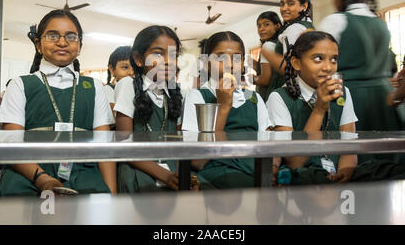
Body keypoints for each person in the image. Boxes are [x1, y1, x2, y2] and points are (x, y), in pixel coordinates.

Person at [0, 10, 116, 197]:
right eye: (52, 35)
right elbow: (11, 146)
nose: (62, 42)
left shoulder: (94, 87)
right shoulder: (20, 84)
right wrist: (43, 179)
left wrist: (111, 195)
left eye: (71, 36)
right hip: (29, 174)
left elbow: (105, 148)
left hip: (83, 175)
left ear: (80, 45)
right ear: (38, 44)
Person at [318, 0, 405, 140]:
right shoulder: (381, 24)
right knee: (385, 155)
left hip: (350, 98)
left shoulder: (335, 21)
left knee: (352, 156)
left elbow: (320, 65)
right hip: (385, 97)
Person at [182, 31, 272, 189]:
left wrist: (273, 169)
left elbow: (269, 144)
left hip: (254, 166)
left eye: (236, 57)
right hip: (218, 169)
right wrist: (223, 107)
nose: (230, 64)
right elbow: (197, 161)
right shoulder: (197, 96)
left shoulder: (254, 98)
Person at [266, 31, 358, 185]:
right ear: (296, 63)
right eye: (318, 59)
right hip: (303, 175)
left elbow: (349, 146)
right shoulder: (279, 97)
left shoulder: (343, 92)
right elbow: (295, 162)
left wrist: (344, 172)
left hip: (337, 172)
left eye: (334, 59)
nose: (328, 67)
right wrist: (319, 109)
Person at [114, 25, 197, 192]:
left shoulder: (177, 93)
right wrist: (165, 176)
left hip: (172, 167)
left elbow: (181, 144)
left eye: (173, 55)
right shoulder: (128, 86)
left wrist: (183, 175)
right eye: (158, 54)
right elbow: (123, 145)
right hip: (139, 168)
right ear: (138, 58)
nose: (168, 61)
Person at [260, 0, 315, 90]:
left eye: (290, 3)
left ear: (304, 5)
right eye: (282, 4)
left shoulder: (293, 29)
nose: (284, 8)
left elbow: (290, 69)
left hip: (287, 90)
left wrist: (266, 53)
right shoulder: (308, 26)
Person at [253, 11, 282, 102]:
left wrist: (249, 78)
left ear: (277, 26)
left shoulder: (268, 46)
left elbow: (265, 80)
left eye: (266, 24)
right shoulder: (278, 45)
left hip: (268, 96)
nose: (261, 29)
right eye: (259, 26)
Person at [104, 45, 133, 111]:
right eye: (125, 67)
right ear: (112, 69)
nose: (131, 72)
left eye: (135, 68)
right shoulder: (108, 90)